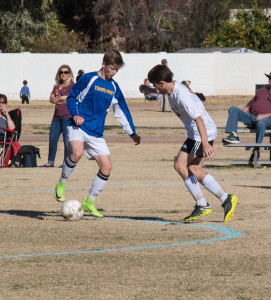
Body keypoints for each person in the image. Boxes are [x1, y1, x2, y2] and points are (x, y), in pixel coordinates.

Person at [139, 64, 238, 222]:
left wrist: (206, 144)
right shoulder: (171, 88)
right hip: (195, 134)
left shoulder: (182, 96)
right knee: (185, 166)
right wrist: (149, 90)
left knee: (188, 167)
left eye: (155, 84)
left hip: (202, 133)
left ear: (162, 82)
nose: (155, 87)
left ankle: (214, 201)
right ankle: (217, 201)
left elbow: (199, 119)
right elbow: (162, 91)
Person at [54, 49, 141, 218]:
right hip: (78, 126)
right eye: (112, 68)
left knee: (107, 167)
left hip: (96, 132)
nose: (114, 72)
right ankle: (61, 184)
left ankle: (89, 202)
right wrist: (75, 114)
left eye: (117, 69)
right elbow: (72, 97)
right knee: (77, 152)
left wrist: (132, 133)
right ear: (103, 64)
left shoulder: (114, 87)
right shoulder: (89, 78)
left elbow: (122, 110)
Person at [222, 72, 271, 162]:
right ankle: (233, 135)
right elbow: (252, 101)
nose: (270, 81)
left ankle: (257, 150)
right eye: (269, 78)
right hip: (251, 116)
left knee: (261, 123)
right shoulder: (262, 90)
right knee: (233, 109)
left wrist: (263, 115)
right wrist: (247, 107)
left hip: (267, 119)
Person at [42, 64, 74, 167]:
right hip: (56, 117)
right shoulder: (56, 86)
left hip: (67, 116)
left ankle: (66, 163)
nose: (63, 74)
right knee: (52, 139)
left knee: (67, 140)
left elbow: (70, 101)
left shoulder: (73, 86)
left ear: (69, 74)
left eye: (66, 72)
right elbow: (51, 99)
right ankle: (50, 162)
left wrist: (58, 99)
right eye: (61, 72)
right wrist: (61, 98)